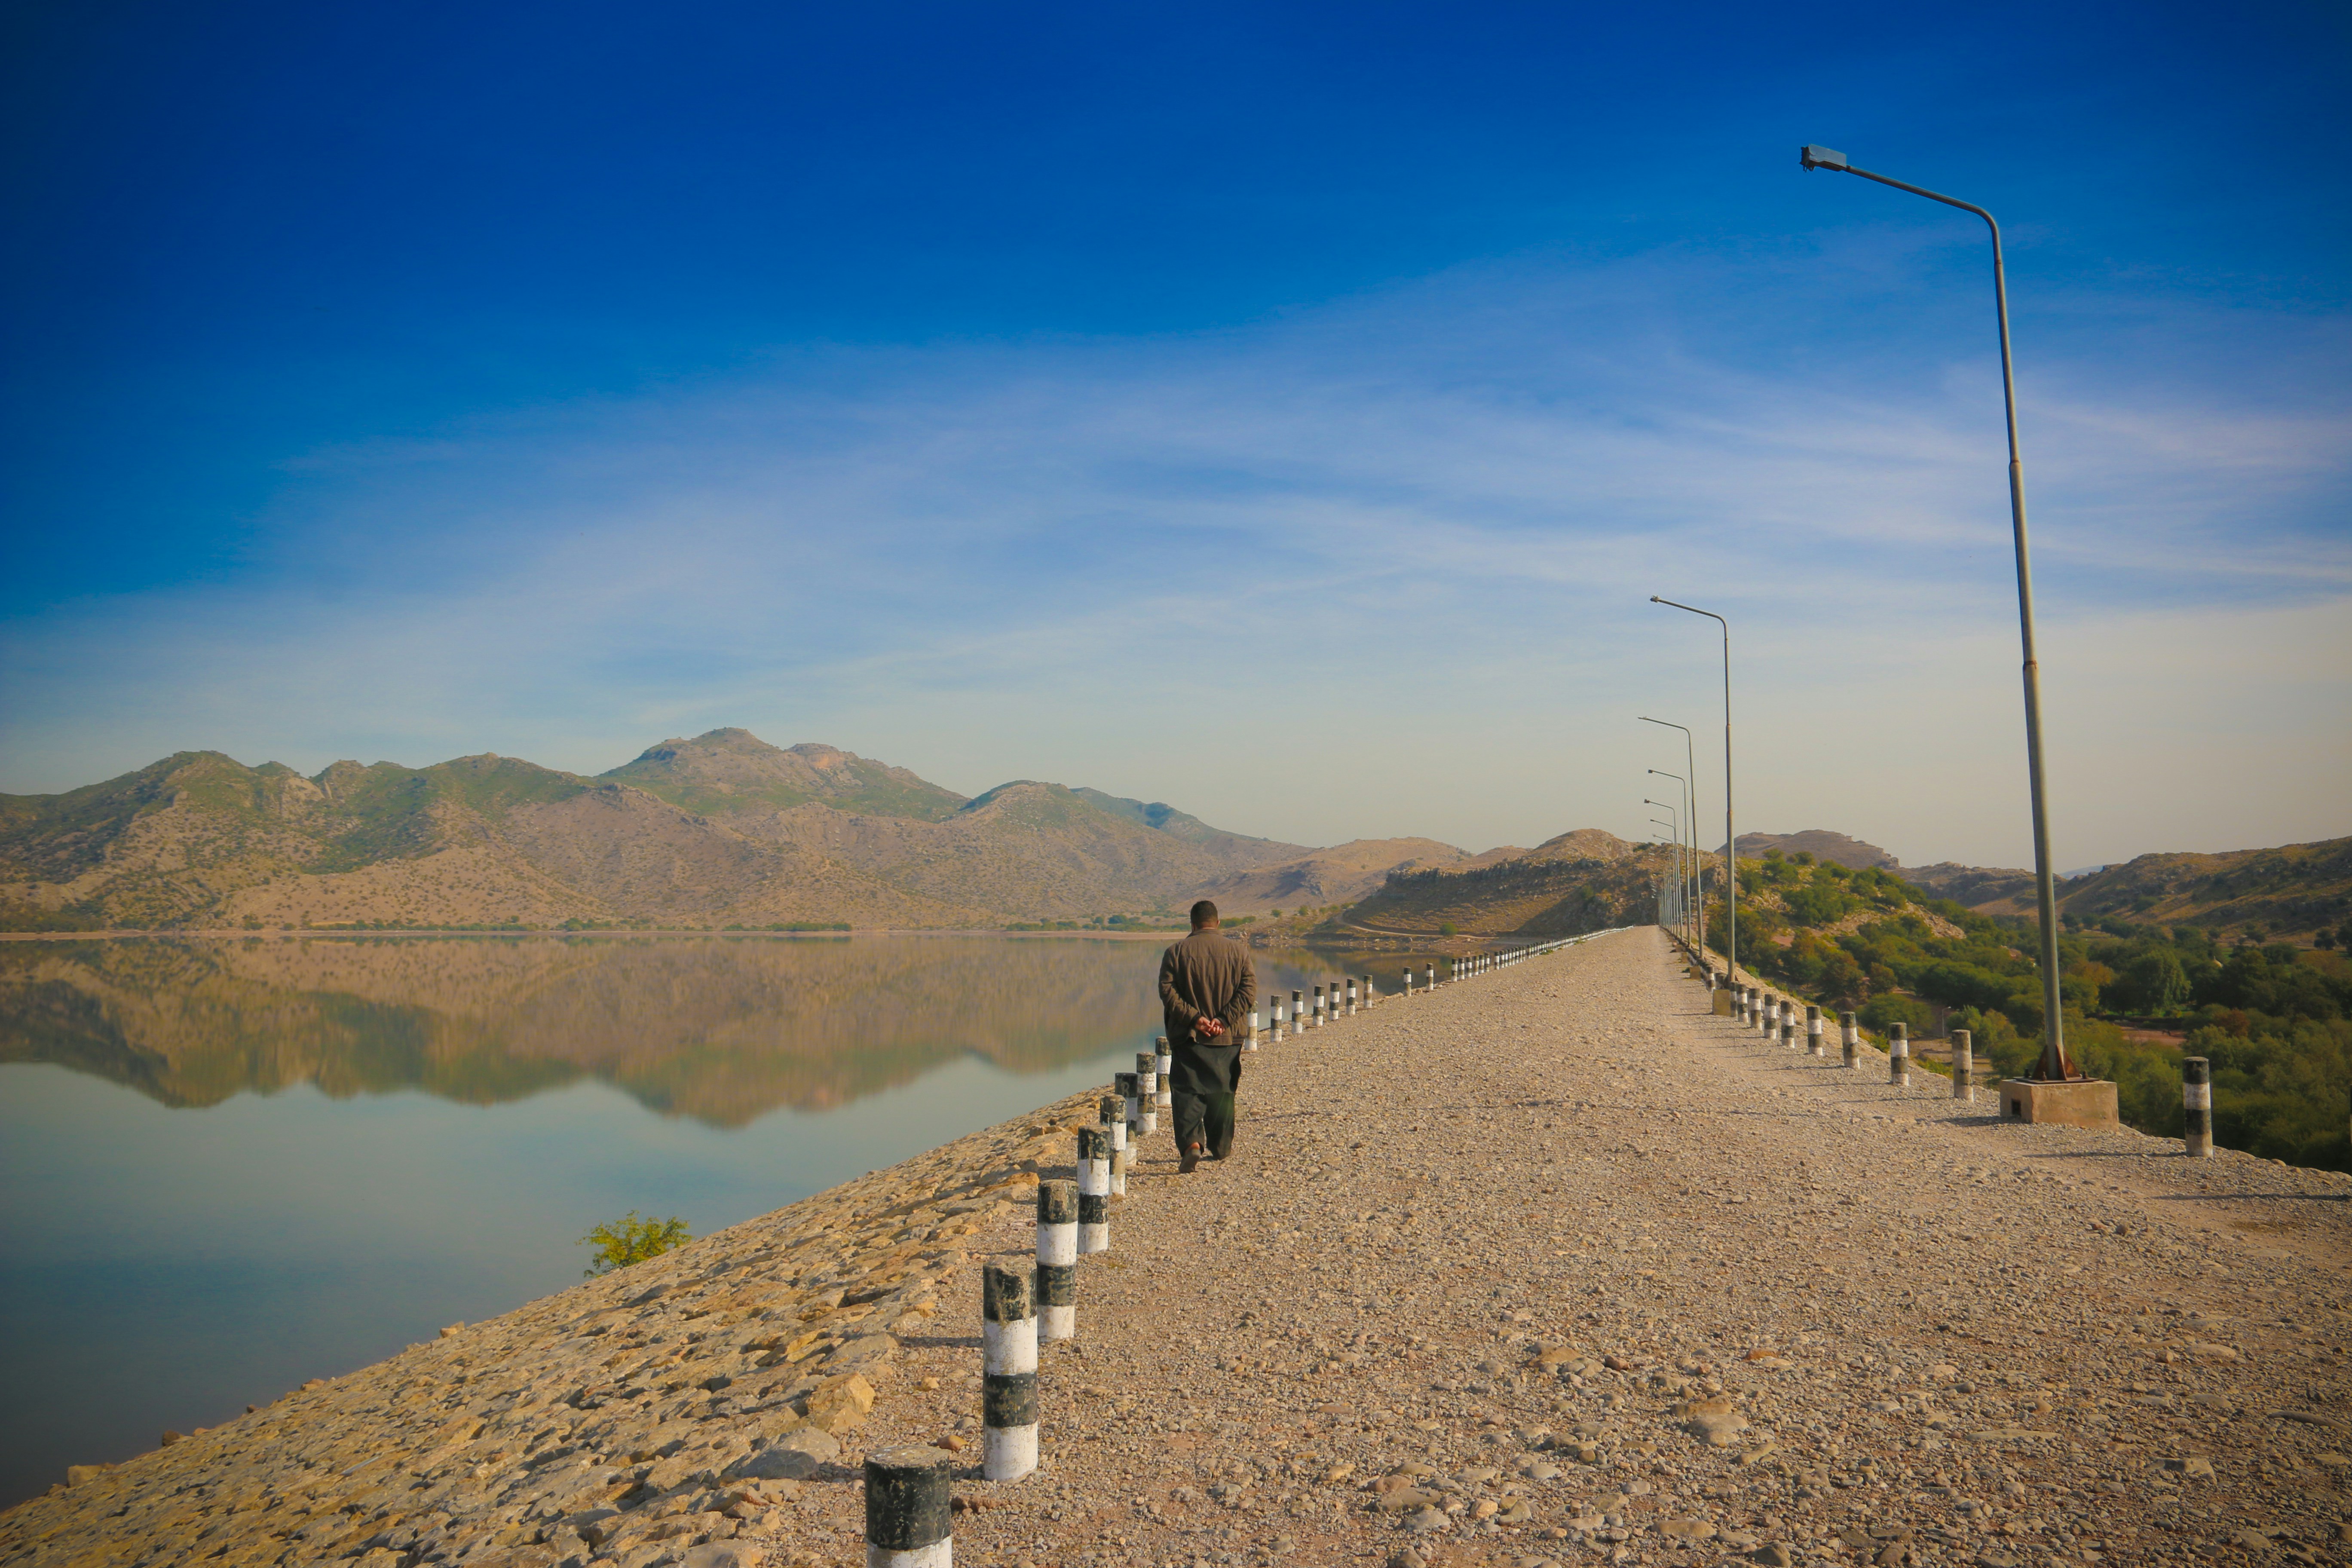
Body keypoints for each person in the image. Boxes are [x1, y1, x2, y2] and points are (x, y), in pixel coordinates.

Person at [1156, 899, 1256, 1173]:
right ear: (1218, 923)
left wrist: (1196, 1019)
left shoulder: (1176, 952)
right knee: (1222, 1091)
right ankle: (1222, 1147)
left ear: (1192, 924)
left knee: (1188, 1090)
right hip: (1228, 1038)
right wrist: (1222, 1021)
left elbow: (1167, 993)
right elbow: (1248, 992)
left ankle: (1192, 1145)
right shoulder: (1238, 952)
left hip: (1189, 1037)